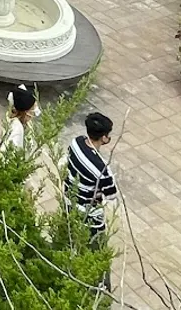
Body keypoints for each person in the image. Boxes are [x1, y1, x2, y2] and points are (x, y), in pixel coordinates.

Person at [66, 111, 118, 283]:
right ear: (104, 138)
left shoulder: (76, 143)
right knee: (98, 255)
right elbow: (112, 195)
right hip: (90, 217)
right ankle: (99, 288)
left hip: (69, 203)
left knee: (72, 243)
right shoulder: (102, 170)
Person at [1, 84, 39, 151]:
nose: (34, 113)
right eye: (32, 109)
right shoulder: (17, 128)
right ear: (25, 112)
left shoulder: (25, 123)